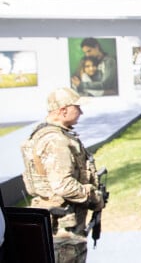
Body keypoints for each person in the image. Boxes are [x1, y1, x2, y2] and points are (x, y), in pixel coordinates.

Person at [20, 87, 105, 263]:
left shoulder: (46, 133)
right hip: (64, 229)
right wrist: (93, 196)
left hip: (59, 222)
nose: (81, 111)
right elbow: (63, 185)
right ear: (63, 110)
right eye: (77, 107)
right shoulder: (56, 140)